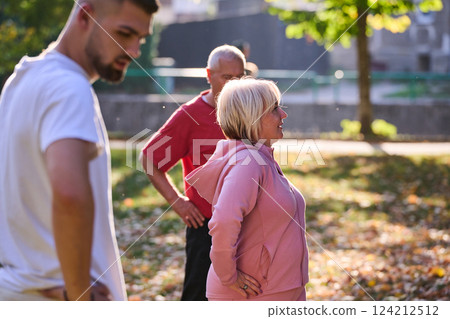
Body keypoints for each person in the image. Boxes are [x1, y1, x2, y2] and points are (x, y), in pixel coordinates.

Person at [0, 0, 159, 301]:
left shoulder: (19, 81)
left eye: (141, 38)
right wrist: (80, 298)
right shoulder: (69, 87)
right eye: (124, 34)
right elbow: (70, 195)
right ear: (86, 15)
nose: (135, 51)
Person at [185, 78, 309, 300]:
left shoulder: (261, 159)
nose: (283, 114)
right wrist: (229, 277)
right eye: (274, 109)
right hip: (254, 294)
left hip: (277, 290)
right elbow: (223, 220)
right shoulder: (249, 162)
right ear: (251, 117)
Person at [140, 45, 246, 300]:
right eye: (227, 77)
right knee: (198, 298)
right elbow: (148, 159)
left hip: (246, 226)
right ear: (208, 74)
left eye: (239, 78)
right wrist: (178, 203)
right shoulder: (190, 115)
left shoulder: (248, 112)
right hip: (206, 229)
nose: (234, 85)